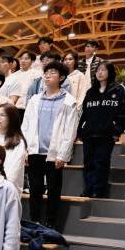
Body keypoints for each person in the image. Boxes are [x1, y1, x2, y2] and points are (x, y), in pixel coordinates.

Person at [22, 61, 79, 229]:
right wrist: (25, 150)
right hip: (35, 151)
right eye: (46, 73)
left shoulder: (69, 101)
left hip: (54, 153)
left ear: (61, 78)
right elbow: (26, 126)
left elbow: (70, 130)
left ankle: (51, 223)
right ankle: (34, 221)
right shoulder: (35, 99)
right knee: (35, 188)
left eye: (52, 73)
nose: (47, 76)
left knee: (53, 189)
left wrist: (63, 155)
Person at [78, 61, 124, 198]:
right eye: (98, 70)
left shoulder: (118, 90)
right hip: (89, 134)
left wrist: (117, 130)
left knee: (101, 162)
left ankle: (99, 190)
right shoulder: (90, 91)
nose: (100, 72)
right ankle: (89, 188)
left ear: (110, 72)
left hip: (106, 134)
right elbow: (84, 113)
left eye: (103, 70)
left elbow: (123, 112)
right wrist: (81, 130)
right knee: (88, 163)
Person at [0, 103, 27, 194]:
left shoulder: (18, 142)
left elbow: (13, 172)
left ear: (12, 118)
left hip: (8, 190)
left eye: (2, 115)